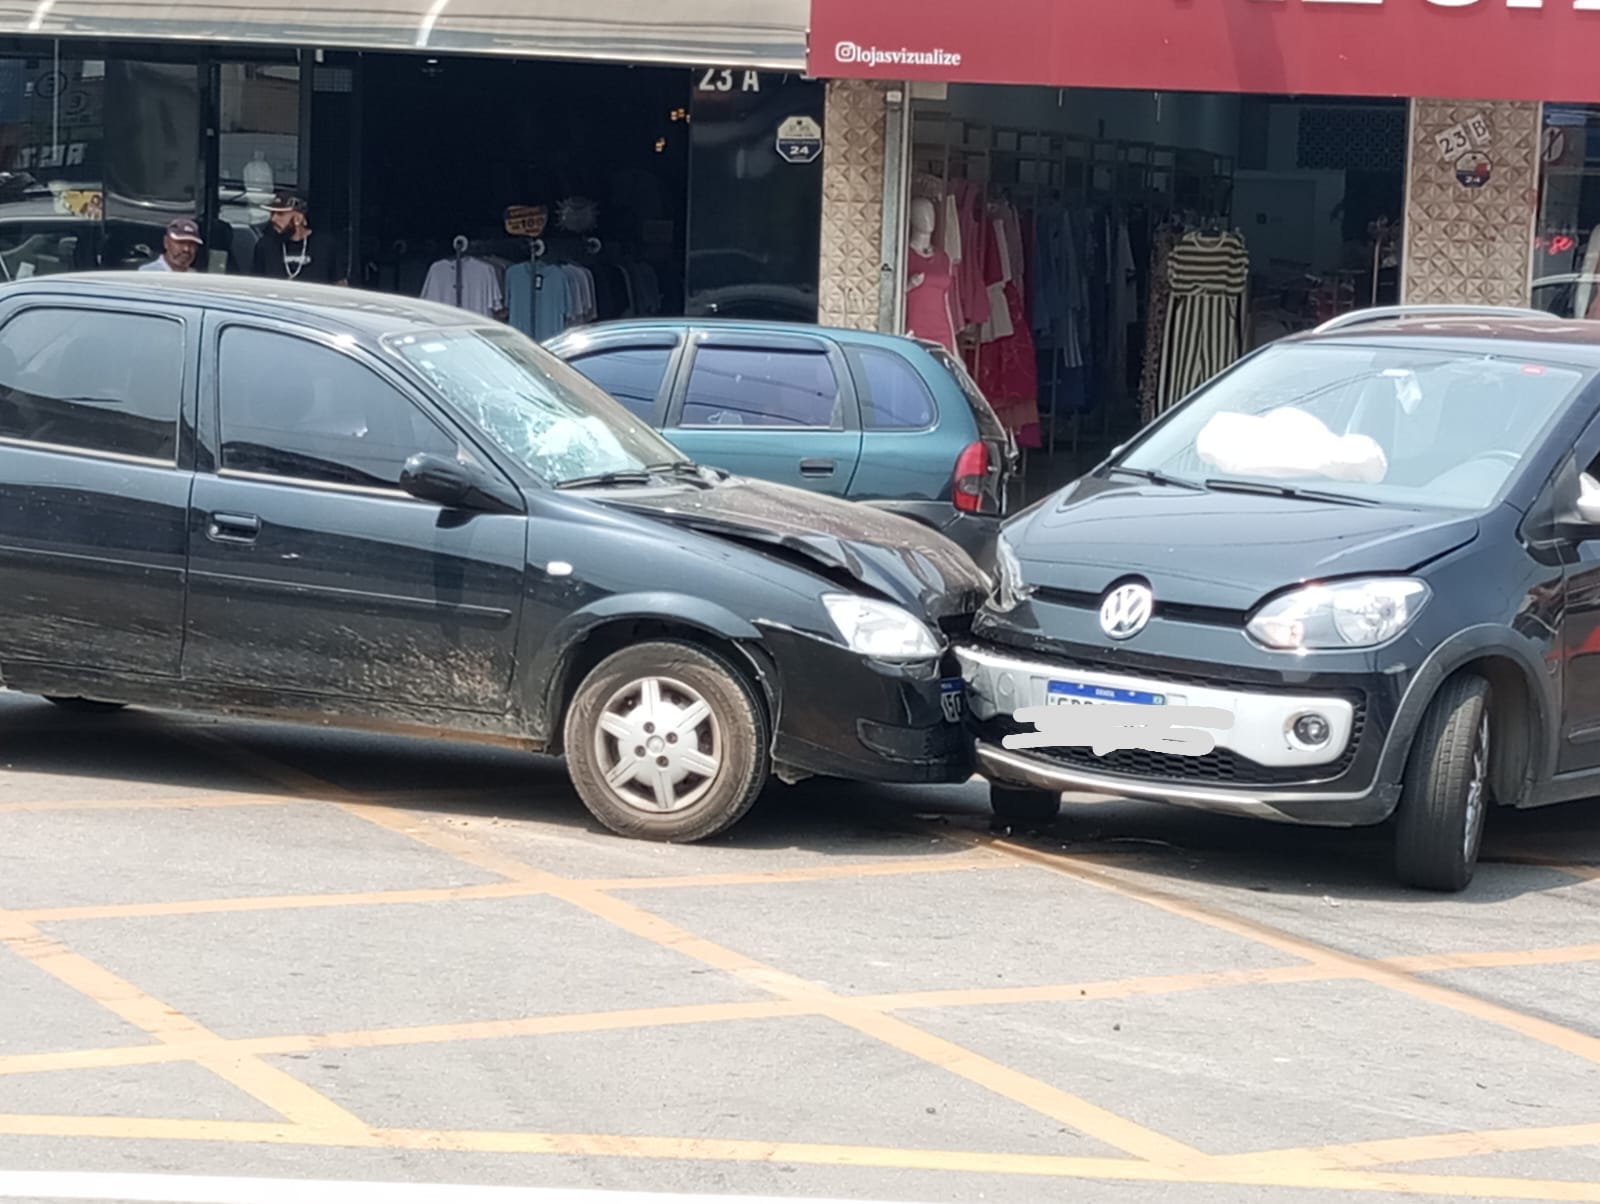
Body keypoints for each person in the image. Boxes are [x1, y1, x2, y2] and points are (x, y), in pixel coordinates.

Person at [252, 191, 347, 285]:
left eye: (280, 214)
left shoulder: (326, 246)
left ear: (298, 218)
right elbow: (256, 286)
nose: (273, 219)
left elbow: (339, 286)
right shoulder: (265, 246)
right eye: (272, 213)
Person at [138, 218, 203, 272]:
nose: (186, 249)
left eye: (192, 244)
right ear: (166, 242)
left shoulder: (196, 277)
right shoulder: (148, 273)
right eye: (180, 242)